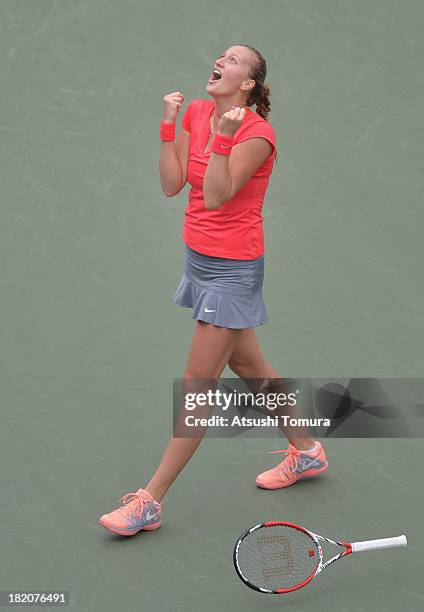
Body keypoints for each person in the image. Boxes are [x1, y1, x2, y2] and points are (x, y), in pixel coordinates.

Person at [99, 45, 328, 537]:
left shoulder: (257, 135)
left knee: (197, 384)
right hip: (199, 259)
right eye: (221, 55)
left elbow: (220, 196)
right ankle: (308, 452)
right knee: (248, 365)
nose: (220, 60)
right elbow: (173, 183)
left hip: (233, 269)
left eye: (234, 59)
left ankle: (150, 501)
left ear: (248, 82)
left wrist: (223, 140)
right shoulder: (199, 113)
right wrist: (168, 125)